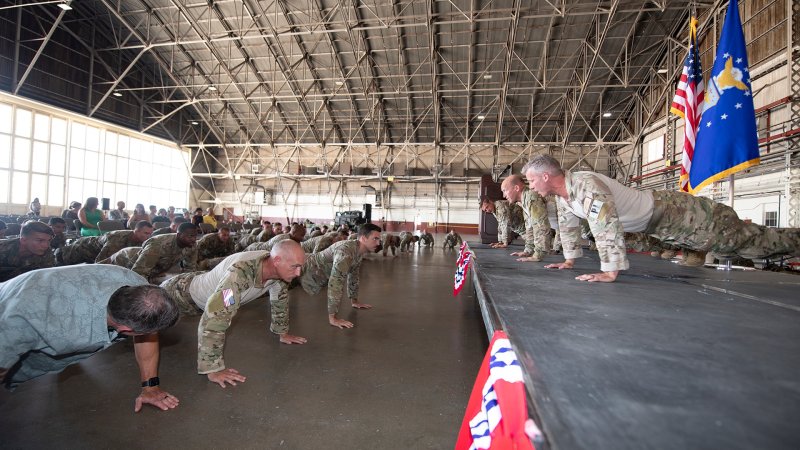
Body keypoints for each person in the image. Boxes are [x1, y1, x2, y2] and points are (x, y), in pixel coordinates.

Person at [522, 154, 800, 282]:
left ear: (546, 176)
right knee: (734, 246)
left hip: (678, 214)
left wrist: (610, 270)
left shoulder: (584, 184)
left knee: (748, 243)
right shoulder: (562, 197)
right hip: (661, 226)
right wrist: (569, 260)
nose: (531, 186)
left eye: (532, 180)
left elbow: (604, 224)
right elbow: (569, 228)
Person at [0, 265, 180, 412]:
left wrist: (150, 387)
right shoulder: (40, 324)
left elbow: (146, 336)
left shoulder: (139, 289)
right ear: (125, 329)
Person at [186, 240, 306, 387]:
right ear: (277, 260)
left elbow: (279, 300)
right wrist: (212, 369)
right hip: (185, 295)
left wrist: (282, 333)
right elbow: (217, 316)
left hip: (205, 298)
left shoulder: (279, 272)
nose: (298, 273)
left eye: (300, 267)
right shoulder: (239, 274)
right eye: (295, 267)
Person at [298, 223, 381, 329]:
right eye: (375, 239)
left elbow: (353, 276)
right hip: (301, 271)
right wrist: (333, 318)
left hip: (309, 274)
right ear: (364, 238)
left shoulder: (357, 251)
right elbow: (335, 283)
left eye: (379, 239)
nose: (378, 243)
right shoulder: (345, 251)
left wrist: (354, 300)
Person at [99, 223, 198, 282]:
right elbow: (139, 272)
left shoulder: (192, 245)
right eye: (190, 236)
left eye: (195, 236)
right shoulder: (158, 245)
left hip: (149, 265)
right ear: (179, 235)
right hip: (124, 259)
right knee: (97, 273)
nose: (194, 239)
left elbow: (190, 269)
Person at [501, 175, 552, 261]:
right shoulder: (523, 201)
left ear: (516, 188)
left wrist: (537, 255)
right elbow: (529, 227)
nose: (504, 195)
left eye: (505, 191)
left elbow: (540, 226)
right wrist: (528, 251)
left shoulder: (531, 196)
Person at [56, 221, 154, 265]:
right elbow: (101, 262)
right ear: (136, 231)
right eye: (146, 233)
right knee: (61, 263)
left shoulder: (141, 241)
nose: (148, 236)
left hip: (91, 255)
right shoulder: (118, 239)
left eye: (150, 233)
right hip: (80, 249)